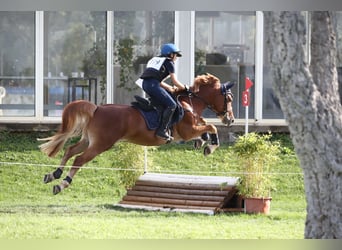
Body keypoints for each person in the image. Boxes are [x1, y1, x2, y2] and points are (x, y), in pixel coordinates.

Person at [139, 43, 187, 141]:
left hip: (146, 84)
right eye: (175, 55)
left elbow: (156, 79)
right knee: (172, 105)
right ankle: (162, 130)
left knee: (162, 103)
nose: (176, 58)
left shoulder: (155, 60)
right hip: (153, 85)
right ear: (170, 54)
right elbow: (175, 81)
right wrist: (185, 88)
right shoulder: (169, 62)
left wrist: (169, 88)